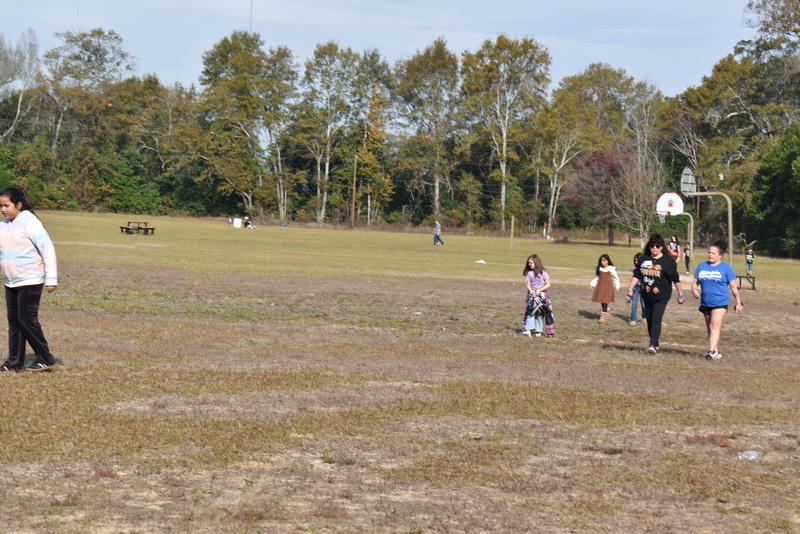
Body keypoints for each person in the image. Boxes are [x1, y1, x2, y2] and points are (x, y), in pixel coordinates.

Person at [0, 187, 60, 372]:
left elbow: (47, 249)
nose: (3, 209)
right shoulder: (3, 225)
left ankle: (45, 356)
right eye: (1, 206)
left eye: (7, 205)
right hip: (11, 281)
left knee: (26, 319)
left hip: (30, 279)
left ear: (19, 204)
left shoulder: (30, 223)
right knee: (15, 322)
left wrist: (51, 278)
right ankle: (14, 362)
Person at [626, 233, 685, 354]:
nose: (654, 248)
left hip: (662, 295)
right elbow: (636, 276)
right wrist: (630, 289)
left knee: (656, 318)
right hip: (646, 294)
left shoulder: (667, 261)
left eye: (657, 246)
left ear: (662, 247)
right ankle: (656, 345)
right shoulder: (643, 259)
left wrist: (680, 294)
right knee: (649, 319)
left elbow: (675, 279)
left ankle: (652, 344)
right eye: (652, 245)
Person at [691, 240, 743, 360]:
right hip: (705, 301)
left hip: (720, 301)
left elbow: (733, 286)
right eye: (709, 253)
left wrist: (738, 301)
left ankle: (711, 351)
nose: (710, 255)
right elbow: (695, 282)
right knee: (710, 327)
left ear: (720, 255)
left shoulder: (726, 268)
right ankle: (716, 350)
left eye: (713, 253)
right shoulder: (702, 266)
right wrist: (694, 290)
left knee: (715, 325)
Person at [521, 254, 555, 337]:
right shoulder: (530, 273)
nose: (530, 265)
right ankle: (528, 329)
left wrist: (540, 290)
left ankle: (539, 331)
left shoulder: (543, 272)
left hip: (542, 295)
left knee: (541, 313)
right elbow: (528, 284)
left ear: (536, 263)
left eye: (531, 263)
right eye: (529, 263)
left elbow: (548, 284)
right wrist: (531, 290)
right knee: (530, 311)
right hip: (532, 294)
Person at [589, 254, 620, 324]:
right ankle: (606, 311)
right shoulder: (600, 269)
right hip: (601, 286)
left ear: (608, 261)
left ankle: (603, 316)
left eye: (604, 261)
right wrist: (592, 284)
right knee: (601, 299)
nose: (602, 262)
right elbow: (596, 277)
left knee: (605, 300)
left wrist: (617, 286)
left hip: (608, 287)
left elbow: (616, 278)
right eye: (601, 261)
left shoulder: (611, 269)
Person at [627, 253, 646, 326]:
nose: (636, 262)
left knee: (644, 304)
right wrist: (631, 285)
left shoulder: (645, 268)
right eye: (635, 261)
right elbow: (634, 276)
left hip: (643, 287)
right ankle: (633, 319)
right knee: (634, 303)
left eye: (638, 261)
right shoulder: (634, 267)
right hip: (635, 287)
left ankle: (645, 317)